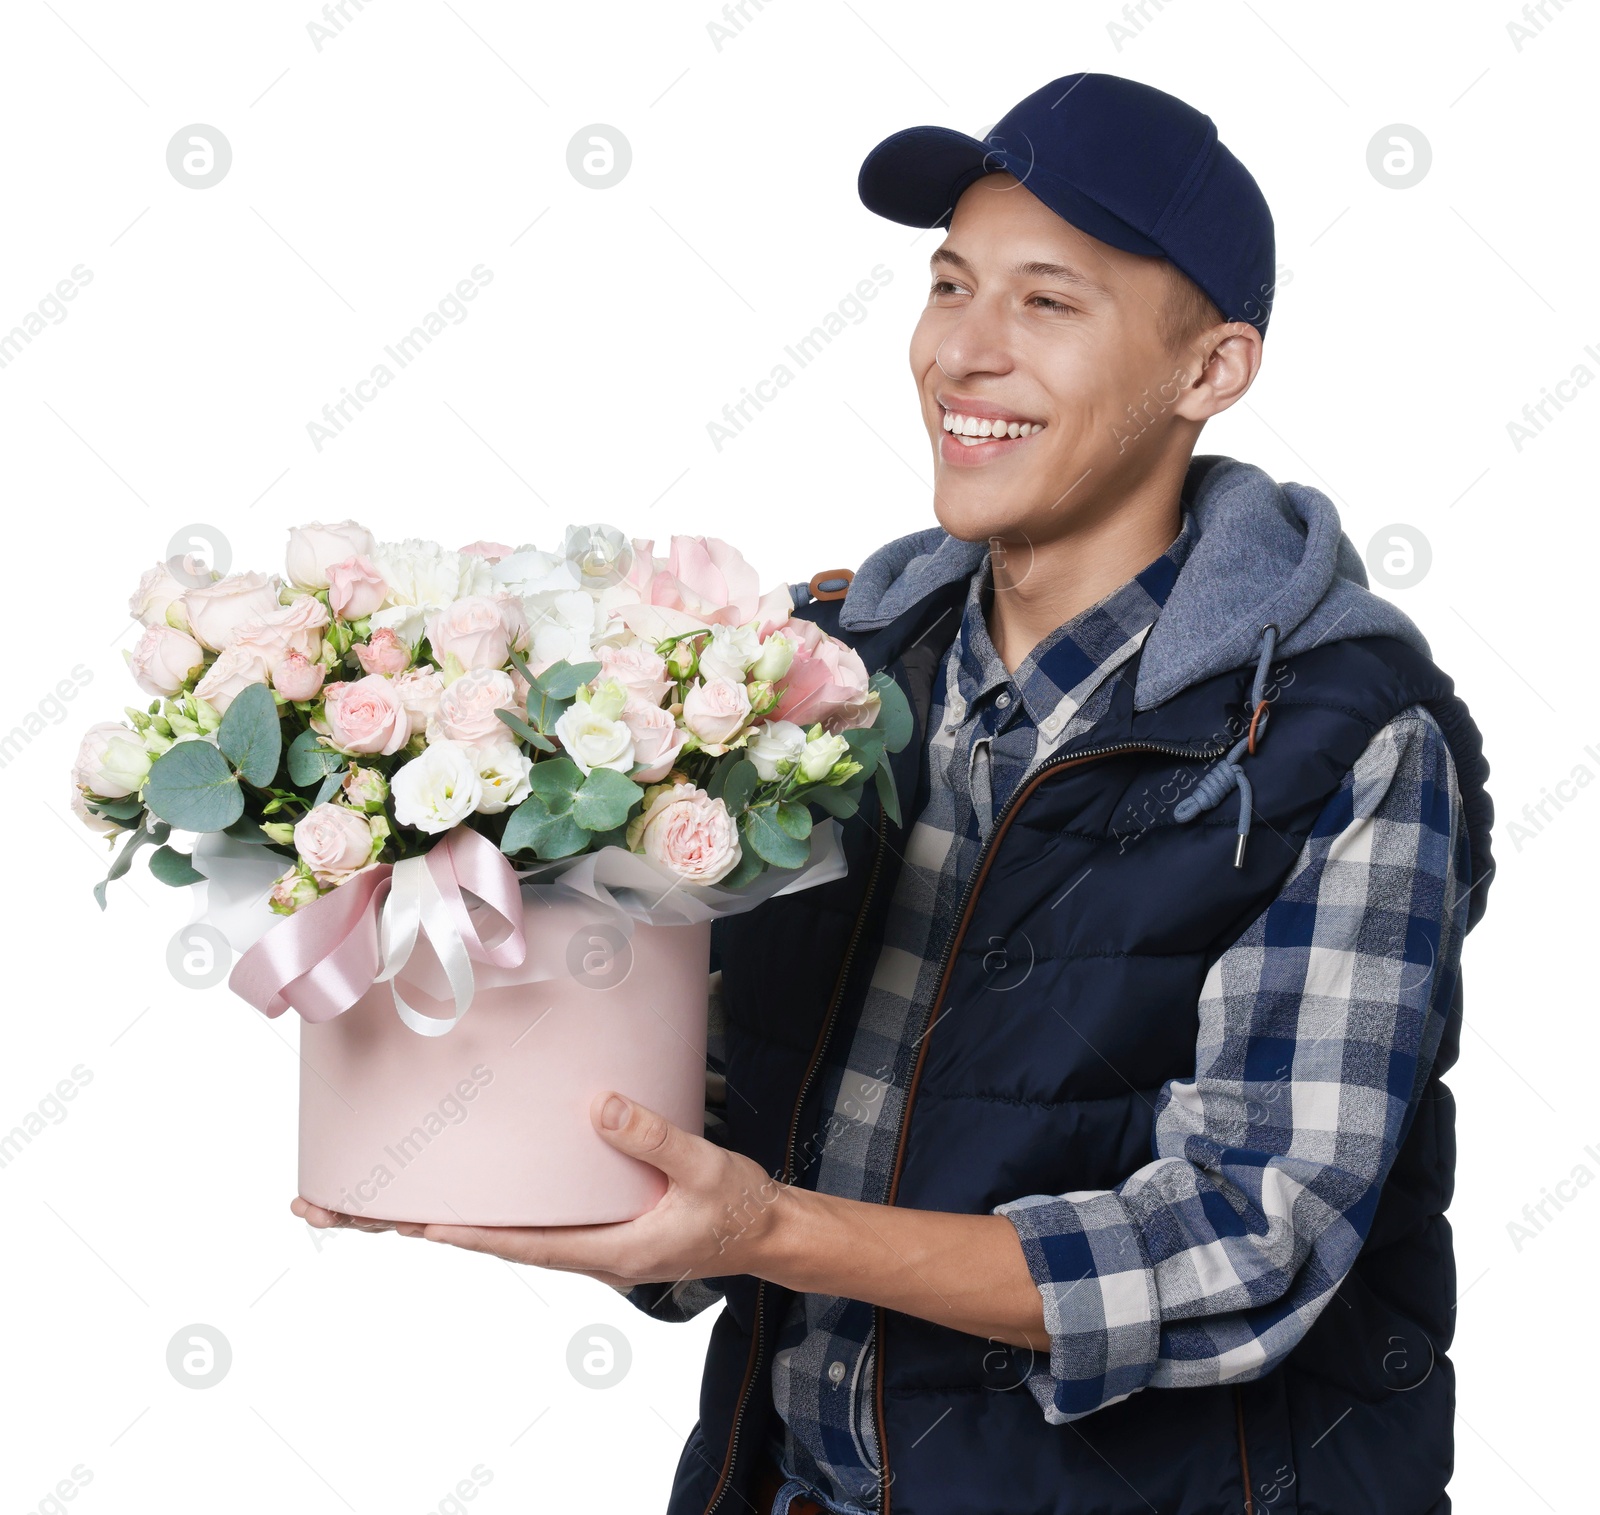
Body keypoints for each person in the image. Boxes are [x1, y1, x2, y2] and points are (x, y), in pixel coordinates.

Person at [296, 72, 1494, 1515]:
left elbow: (1252, 1244)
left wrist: (771, 1233)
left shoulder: (1337, 736)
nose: (964, 353)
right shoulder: (833, 677)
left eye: (1049, 304)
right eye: (948, 284)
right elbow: (743, 1089)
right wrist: (477, 1097)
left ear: (1210, 370)